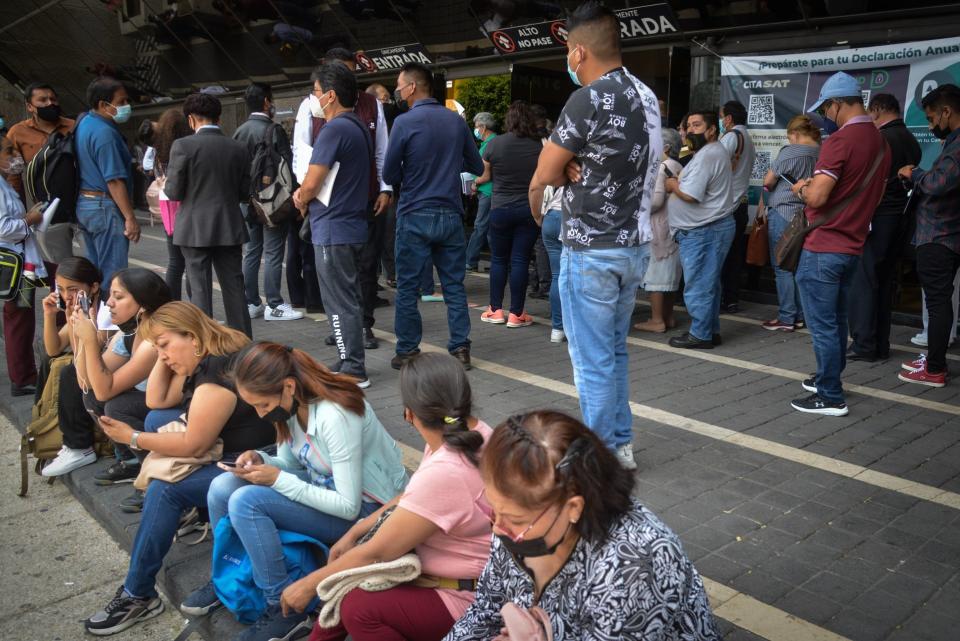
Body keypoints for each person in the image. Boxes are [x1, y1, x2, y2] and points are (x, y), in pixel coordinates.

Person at [180, 342, 408, 640]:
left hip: (370, 513)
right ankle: (228, 575)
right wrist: (261, 460)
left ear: (288, 386)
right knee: (222, 486)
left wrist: (275, 480)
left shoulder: (335, 416)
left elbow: (348, 505)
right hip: (325, 493)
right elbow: (291, 464)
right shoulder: (292, 405)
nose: (261, 413)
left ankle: (284, 607)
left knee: (247, 501)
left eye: (263, 405)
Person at [83, 301, 275, 636]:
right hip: (242, 448)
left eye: (165, 345)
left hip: (261, 461)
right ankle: (193, 514)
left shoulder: (215, 374)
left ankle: (138, 594)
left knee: (166, 488)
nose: (163, 356)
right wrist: (163, 350)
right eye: (157, 348)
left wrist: (133, 437)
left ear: (193, 337)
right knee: (159, 419)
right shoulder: (214, 350)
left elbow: (195, 446)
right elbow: (155, 402)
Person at [444, 410, 720, 641]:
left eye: (515, 520)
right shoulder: (512, 524)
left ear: (573, 507)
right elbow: (485, 610)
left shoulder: (637, 561)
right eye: (493, 508)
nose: (496, 528)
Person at [527, 2, 661, 468]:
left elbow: (544, 172)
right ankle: (618, 444)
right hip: (634, 247)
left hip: (592, 249)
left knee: (591, 360)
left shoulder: (588, 98)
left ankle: (600, 454)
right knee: (614, 351)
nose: (568, 59)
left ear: (579, 51)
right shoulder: (646, 96)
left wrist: (562, 164)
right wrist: (570, 165)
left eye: (567, 50)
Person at [280, 352, 493, 641]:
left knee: (358, 606)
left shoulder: (448, 467)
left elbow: (377, 551)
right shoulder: (473, 431)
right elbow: (413, 495)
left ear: (408, 413)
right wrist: (358, 528)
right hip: (468, 578)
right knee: (345, 594)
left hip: (467, 596)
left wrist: (308, 585)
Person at [789, 72, 891, 415]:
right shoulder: (880, 142)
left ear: (836, 104)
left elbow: (817, 197)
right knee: (837, 320)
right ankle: (827, 377)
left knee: (823, 325)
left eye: (826, 109)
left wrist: (801, 188)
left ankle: (829, 395)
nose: (825, 116)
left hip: (823, 246)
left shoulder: (839, 142)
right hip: (853, 244)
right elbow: (873, 197)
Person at [384, 62, 483, 371]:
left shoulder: (403, 122)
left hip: (414, 213)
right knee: (454, 285)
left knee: (409, 287)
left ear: (413, 87)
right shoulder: (455, 122)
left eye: (400, 86)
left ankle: (408, 351)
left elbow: (388, 172)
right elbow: (477, 167)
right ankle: (461, 349)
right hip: (450, 214)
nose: (398, 91)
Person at [46, 269, 172, 481]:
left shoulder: (155, 337)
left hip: (178, 409)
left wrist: (89, 340)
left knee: (116, 405)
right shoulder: (129, 332)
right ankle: (130, 461)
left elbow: (104, 391)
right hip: (153, 401)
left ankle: (155, 470)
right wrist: (77, 331)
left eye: (119, 297)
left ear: (143, 304)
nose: (110, 303)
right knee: (90, 395)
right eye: (111, 295)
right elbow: (85, 382)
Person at [293, 63, 372, 387]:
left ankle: (353, 367)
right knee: (347, 298)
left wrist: (300, 196)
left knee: (339, 301)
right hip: (349, 225)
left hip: (333, 228)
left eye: (314, 92)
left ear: (330, 95)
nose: (312, 99)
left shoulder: (335, 129)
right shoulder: (357, 127)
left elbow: (312, 181)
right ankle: (347, 357)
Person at [323, 48, 394, 352]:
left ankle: (364, 325)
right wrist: (306, 192)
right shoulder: (313, 105)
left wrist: (385, 188)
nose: (347, 75)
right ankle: (339, 328)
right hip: (329, 203)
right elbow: (302, 151)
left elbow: (383, 149)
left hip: (366, 199)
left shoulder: (370, 104)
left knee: (366, 265)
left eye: (351, 69)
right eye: (341, 69)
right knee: (334, 271)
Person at [165, 92, 253, 338]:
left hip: (193, 227)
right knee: (234, 286)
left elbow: (173, 192)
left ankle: (203, 344)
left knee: (199, 288)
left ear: (191, 119)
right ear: (218, 117)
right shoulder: (238, 147)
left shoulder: (182, 146)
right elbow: (245, 192)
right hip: (229, 224)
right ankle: (243, 343)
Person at [846, 94, 921, 361]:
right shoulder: (911, 139)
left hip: (877, 217)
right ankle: (880, 344)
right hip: (901, 217)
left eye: (869, 112)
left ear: (876, 110)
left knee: (865, 280)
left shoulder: (882, 139)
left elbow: (868, 183)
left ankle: (864, 344)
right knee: (884, 280)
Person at [898, 83, 960, 388]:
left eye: (933, 117)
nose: (931, 124)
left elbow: (938, 183)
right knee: (940, 302)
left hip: (939, 235)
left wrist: (915, 174)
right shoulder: (953, 142)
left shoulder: (958, 144)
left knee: (937, 304)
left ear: (947, 111)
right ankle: (934, 358)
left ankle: (935, 368)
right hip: (945, 234)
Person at [234, 82, 303, 322]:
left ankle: (251, 302)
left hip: (247, 201)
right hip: (272, 201)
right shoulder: (274, 130)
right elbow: (288, 168)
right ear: (266, 102)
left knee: (252, 251)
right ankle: (274, 304)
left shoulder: (239, 131)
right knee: (274, 252)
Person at [665, 111, 734, 349]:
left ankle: (701, 335)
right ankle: (708, 331)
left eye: (697, 125)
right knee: (708, 284)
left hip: (704, 231)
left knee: (700, 286)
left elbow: (692, 195)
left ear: (712, 129)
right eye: (688, 126)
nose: (691, 130)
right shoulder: (707, 152)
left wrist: (672, 184)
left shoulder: (708, 155)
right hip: (706, 229)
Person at [479, 101, 543, 328]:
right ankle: (517, 314)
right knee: (520, 260)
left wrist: (472, 183)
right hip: (528, 209)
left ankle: (495, 310)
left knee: (498, 260)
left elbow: (484, 176)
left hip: (500, 209)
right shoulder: (539, 146)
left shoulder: (495, 144)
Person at [74, 76, 141, 287]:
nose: (126, 106)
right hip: (104, 207)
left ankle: (93, 316)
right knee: (113, 273)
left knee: (95, 271)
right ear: (103, 105)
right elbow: (114, 181)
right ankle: (111, 317)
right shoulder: (105, 134)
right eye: (121, 102)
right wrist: (130, 218)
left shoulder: (84, 122)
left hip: (86, 205)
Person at [759, 114, 820, 332]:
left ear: (794, 134)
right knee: (798, 266)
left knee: (782, 266)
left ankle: (786, 316)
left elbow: (768, 181)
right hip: (807, 215)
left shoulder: (790, 151)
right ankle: (801, 315)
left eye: (790, 136)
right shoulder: (821, 152)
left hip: (784, 212)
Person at [6, 82, 77, 264]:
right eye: (42, 100)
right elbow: (14, 174)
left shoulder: (73, 126)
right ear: (30, 106)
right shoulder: (18, 132)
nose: (49, 104)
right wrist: (20, 211)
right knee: (54, 260)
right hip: (44, 208)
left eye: (53, 99)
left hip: (78, 203)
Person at [0, 136, 46, 396]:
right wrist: (30, 219)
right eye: (8, 151)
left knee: (22, 317)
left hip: (24, 263)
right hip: (16, 266)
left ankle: (25, 374)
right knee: (19, 318)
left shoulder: (4, 184)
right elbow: (4, 228)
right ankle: (23, 377)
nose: (15, 155)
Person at [635, 128, 684, 333]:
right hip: (675, 225)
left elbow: (655, 200)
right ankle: (668, 316)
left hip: (659, 226)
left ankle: (656, 320)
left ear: (665, 147)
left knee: (655, 274)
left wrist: (637, 207)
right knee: (670, 273)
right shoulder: (679, 165)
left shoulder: (661, 167)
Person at [718, 100, 756, 314]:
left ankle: (724, 298)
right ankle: (731, 299)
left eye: (722, 117)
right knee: (734, 256)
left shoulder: (732, 137)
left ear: (729, 119)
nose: (721, 121)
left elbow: (715, 165)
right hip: (740, 205)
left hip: (727, 206)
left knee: (724, 256)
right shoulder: (747, 138)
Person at [152, 108, 193, 301]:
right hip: (186, 209)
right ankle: (197, 305)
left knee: (175, 263)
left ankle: (172, 305)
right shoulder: (186, 149)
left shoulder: (158, 152)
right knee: (192, 263)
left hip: (168, 210)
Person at [465, 112, 496, 272]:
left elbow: (486, 175)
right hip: (490, 192)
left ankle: (470, 260)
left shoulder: (490, 143)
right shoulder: (491, 142)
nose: (475, 130)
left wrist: (474, 182)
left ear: (483, 127)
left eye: (476, 127)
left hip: (488, 191)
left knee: (480, 226)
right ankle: (499, 260)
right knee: (490, 228)